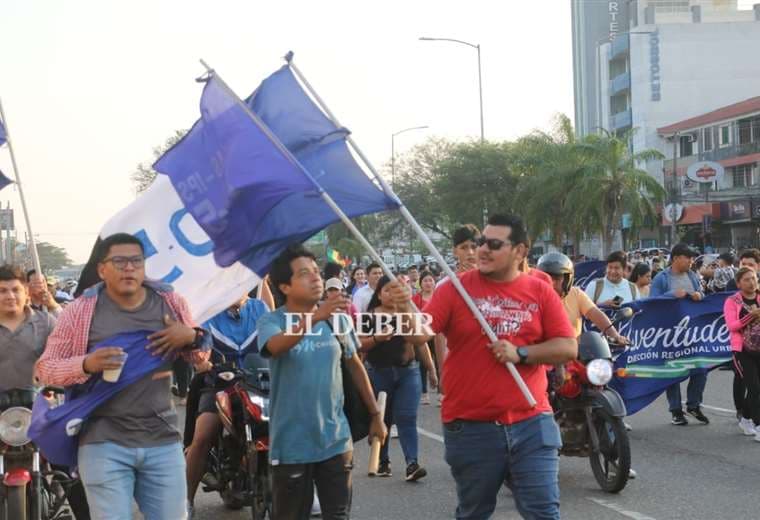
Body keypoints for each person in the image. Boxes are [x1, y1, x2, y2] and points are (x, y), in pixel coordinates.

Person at [35, 233, 210, 520]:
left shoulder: (171, 302)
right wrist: (86, 363)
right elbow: (46, 369)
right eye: (119, 261)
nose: (129, 268)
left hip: (162, 441)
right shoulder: (80, 311)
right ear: (102, 269)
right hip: (102, 442)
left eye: (136, 261)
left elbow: (201, 360)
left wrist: (191, 337)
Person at [423, 214, 577, 519]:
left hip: (532, 422)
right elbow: (421, 331)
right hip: (470, 427)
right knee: (474, 513)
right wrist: (402, 307)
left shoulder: (540, 291)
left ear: (520, 251)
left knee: (544, 512)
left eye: (493, 244)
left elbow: (567, 346)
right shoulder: (454, 288)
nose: (482, 250)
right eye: (481, 242)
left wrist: (521, 353)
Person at [257, 244, 387, 520]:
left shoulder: (338, 321)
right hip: (291, 446)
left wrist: (376, 415)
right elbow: (274, 346)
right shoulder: (272, 320)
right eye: (304, 273)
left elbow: (355, 367)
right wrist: (315, 316)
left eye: (316, 271)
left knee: (338, 515)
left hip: (336, 441)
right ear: (285, 286)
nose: (316, 277)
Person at [184, 295, 271, 518]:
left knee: (289, 428)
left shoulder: (260, 308)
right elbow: (199, 346)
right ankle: (185, 500)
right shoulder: (208, 311)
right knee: (203, 434)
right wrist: (201, 360)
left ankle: (307, 492)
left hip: (257, 385)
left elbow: (274, 341)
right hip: (219, 383)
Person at [359, 275, 436, 481]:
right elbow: (359, 346)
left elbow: (421, 343)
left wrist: (431, 369)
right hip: (378, 373)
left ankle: (412, 463)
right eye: (387, 290)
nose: (392, 295)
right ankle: (383, 462)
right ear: (379, 294)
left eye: (396, 290)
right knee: (383, 418)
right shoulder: (369, 316)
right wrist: (377, 339)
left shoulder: (410, 314)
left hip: (408, 373)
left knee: (407, 417)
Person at [650, 243, 709, 426]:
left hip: (692, 330)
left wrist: (700, 294)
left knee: (701, 368)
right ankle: (676, 410)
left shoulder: (692, 275)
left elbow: (702, 293)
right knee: (673, 372)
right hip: (669, 332)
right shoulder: (661, 278)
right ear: (676, 258)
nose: (691, 261)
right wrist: (671, 294)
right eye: (688, 257)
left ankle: (693, 405)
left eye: (692, 258)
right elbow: (651, 302)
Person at [434, 224, 481, 406]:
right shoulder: (445, 286)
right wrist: (441, 370)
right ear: (455, 251)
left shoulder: (495, 283)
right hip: (458, 364)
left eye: (474, 247)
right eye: (464, 248)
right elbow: (437, 333)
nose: (470, 253)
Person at [724, 267, 760, 441]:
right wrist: (750, 316)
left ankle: (745, 419)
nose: (751, 282)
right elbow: (732, 326)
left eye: (753, 278)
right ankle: (758, 425)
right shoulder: (732, 301)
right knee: (754, 388)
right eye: (746, 279)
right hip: (742, 351)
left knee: (757, 390)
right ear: (738, 283)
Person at [412, 271, 438, 405]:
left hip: (437, 334)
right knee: (423, 363)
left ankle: (441, 392)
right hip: (422, 333)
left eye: (430, 280)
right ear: (420, 284)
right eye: (425, 281)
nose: (428, 283)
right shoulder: (415, 299)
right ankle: (424, 392)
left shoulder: (440, 297)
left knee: (439, 362)